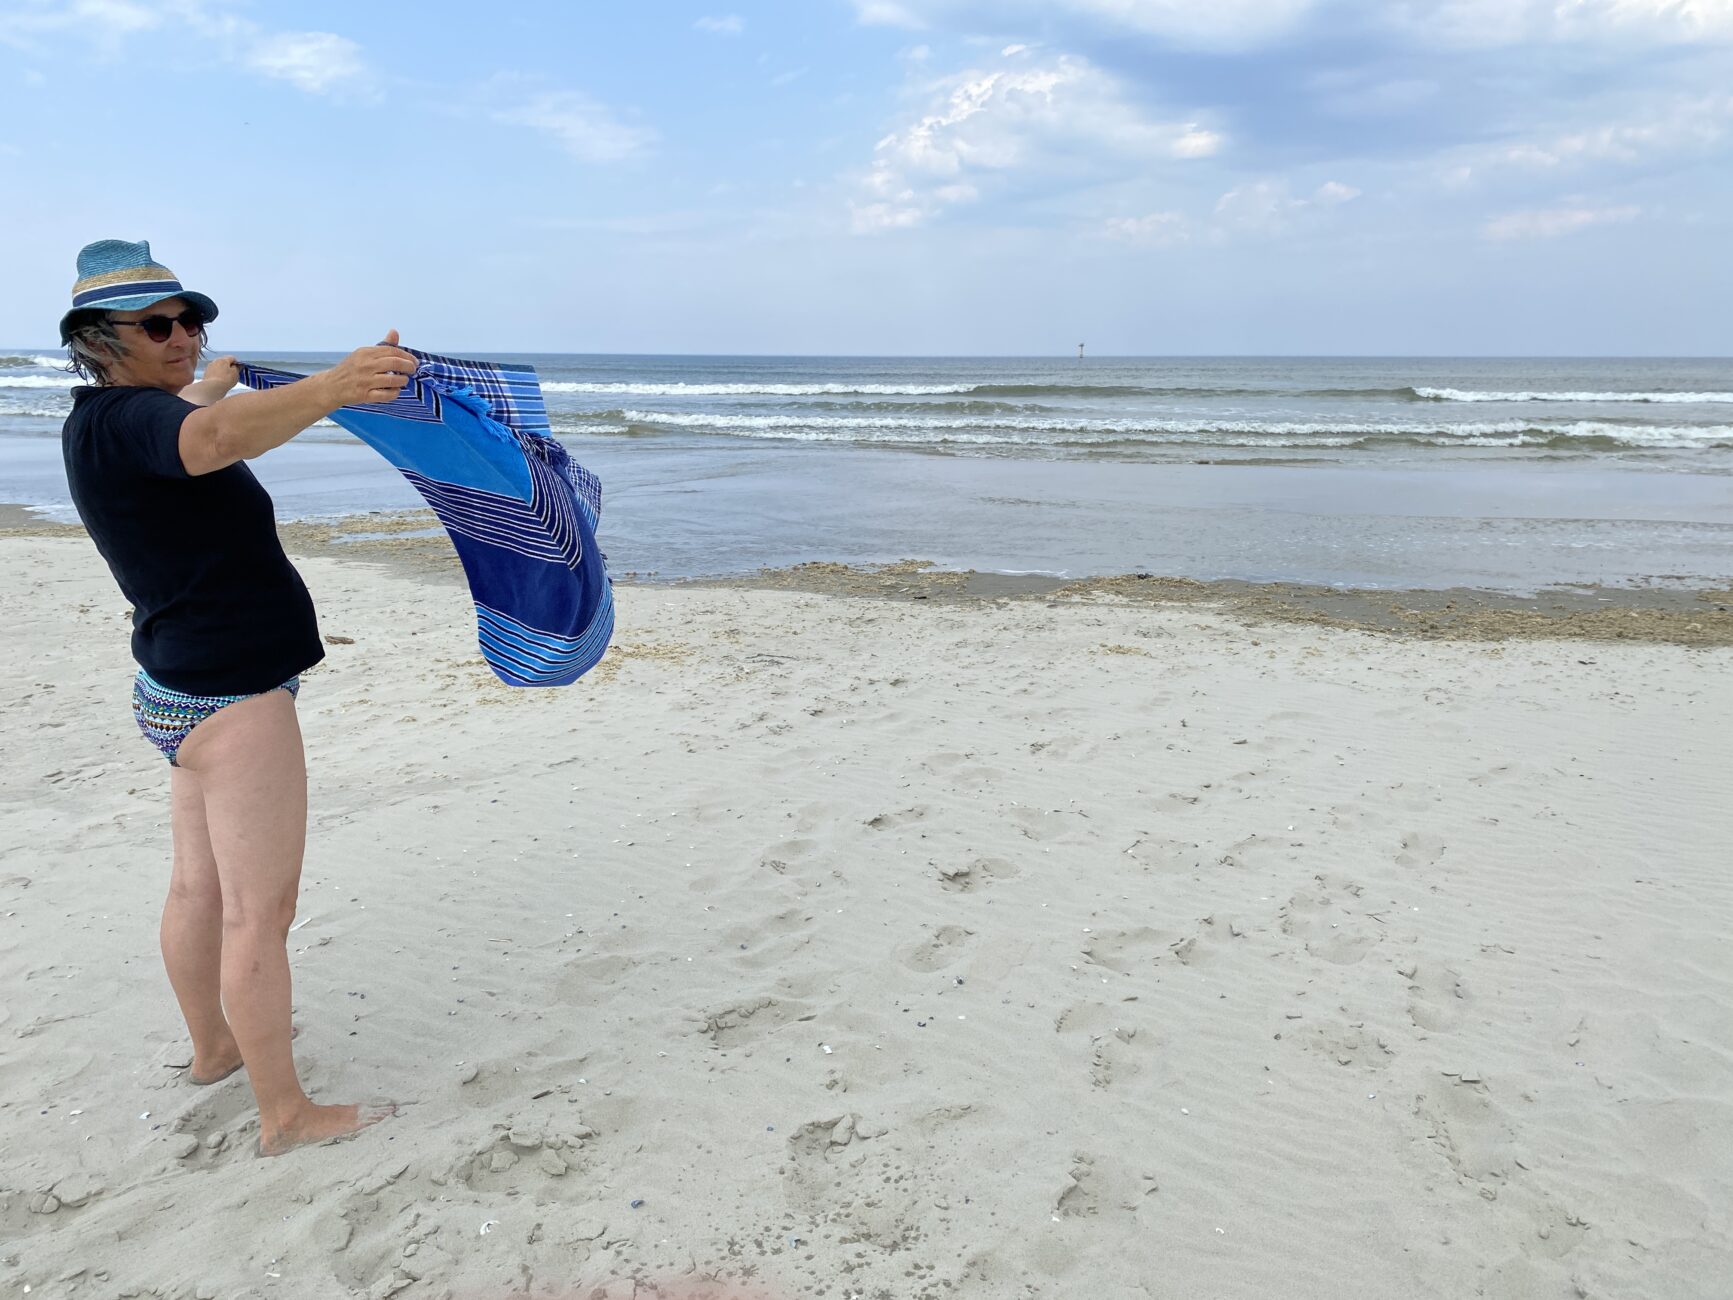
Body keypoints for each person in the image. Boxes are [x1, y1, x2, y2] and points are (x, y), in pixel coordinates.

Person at [58, 239, 415, 1155]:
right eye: (157, 325)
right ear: (101, 341)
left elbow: (189, 416)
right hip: (232, 695)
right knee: (263, 911)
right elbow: (202, 440)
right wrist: (334, 386)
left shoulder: (102, 419)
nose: (181, 336)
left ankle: (214, 1051)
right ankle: (285, 1116)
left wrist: (215, 378)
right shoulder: (138, 421)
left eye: (191, 319)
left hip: (178, 685)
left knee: (199, 887)